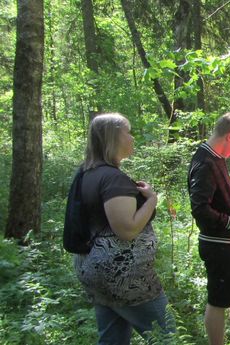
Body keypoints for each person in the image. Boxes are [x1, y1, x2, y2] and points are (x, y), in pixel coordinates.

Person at [72, 113, 173, 344]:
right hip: (124, 276)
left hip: (97, 271)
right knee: (168, 336)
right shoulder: (112, 179)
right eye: (128, 132)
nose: (132, 138)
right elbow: (127, 230)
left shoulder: (88, 174)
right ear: (113, 138)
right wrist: (151, 200)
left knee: (112, 338)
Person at [187, 112, 230, 345]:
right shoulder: (205, 162)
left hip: (228, 244)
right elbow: (199, 207)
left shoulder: (215, 158)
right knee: (218, 300)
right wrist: (229, 222)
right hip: (218, 245)